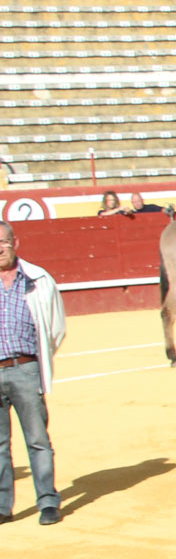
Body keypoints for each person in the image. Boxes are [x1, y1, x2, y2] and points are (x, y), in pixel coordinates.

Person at [0, 221, 64, 525]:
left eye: (4, 241)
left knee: (38, 439)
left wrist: (38, 363)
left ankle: (47, 501)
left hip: (26, 368)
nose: (0, 248)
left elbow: (55, 328)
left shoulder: (38, 279)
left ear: (16, 242)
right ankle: (2, 506)